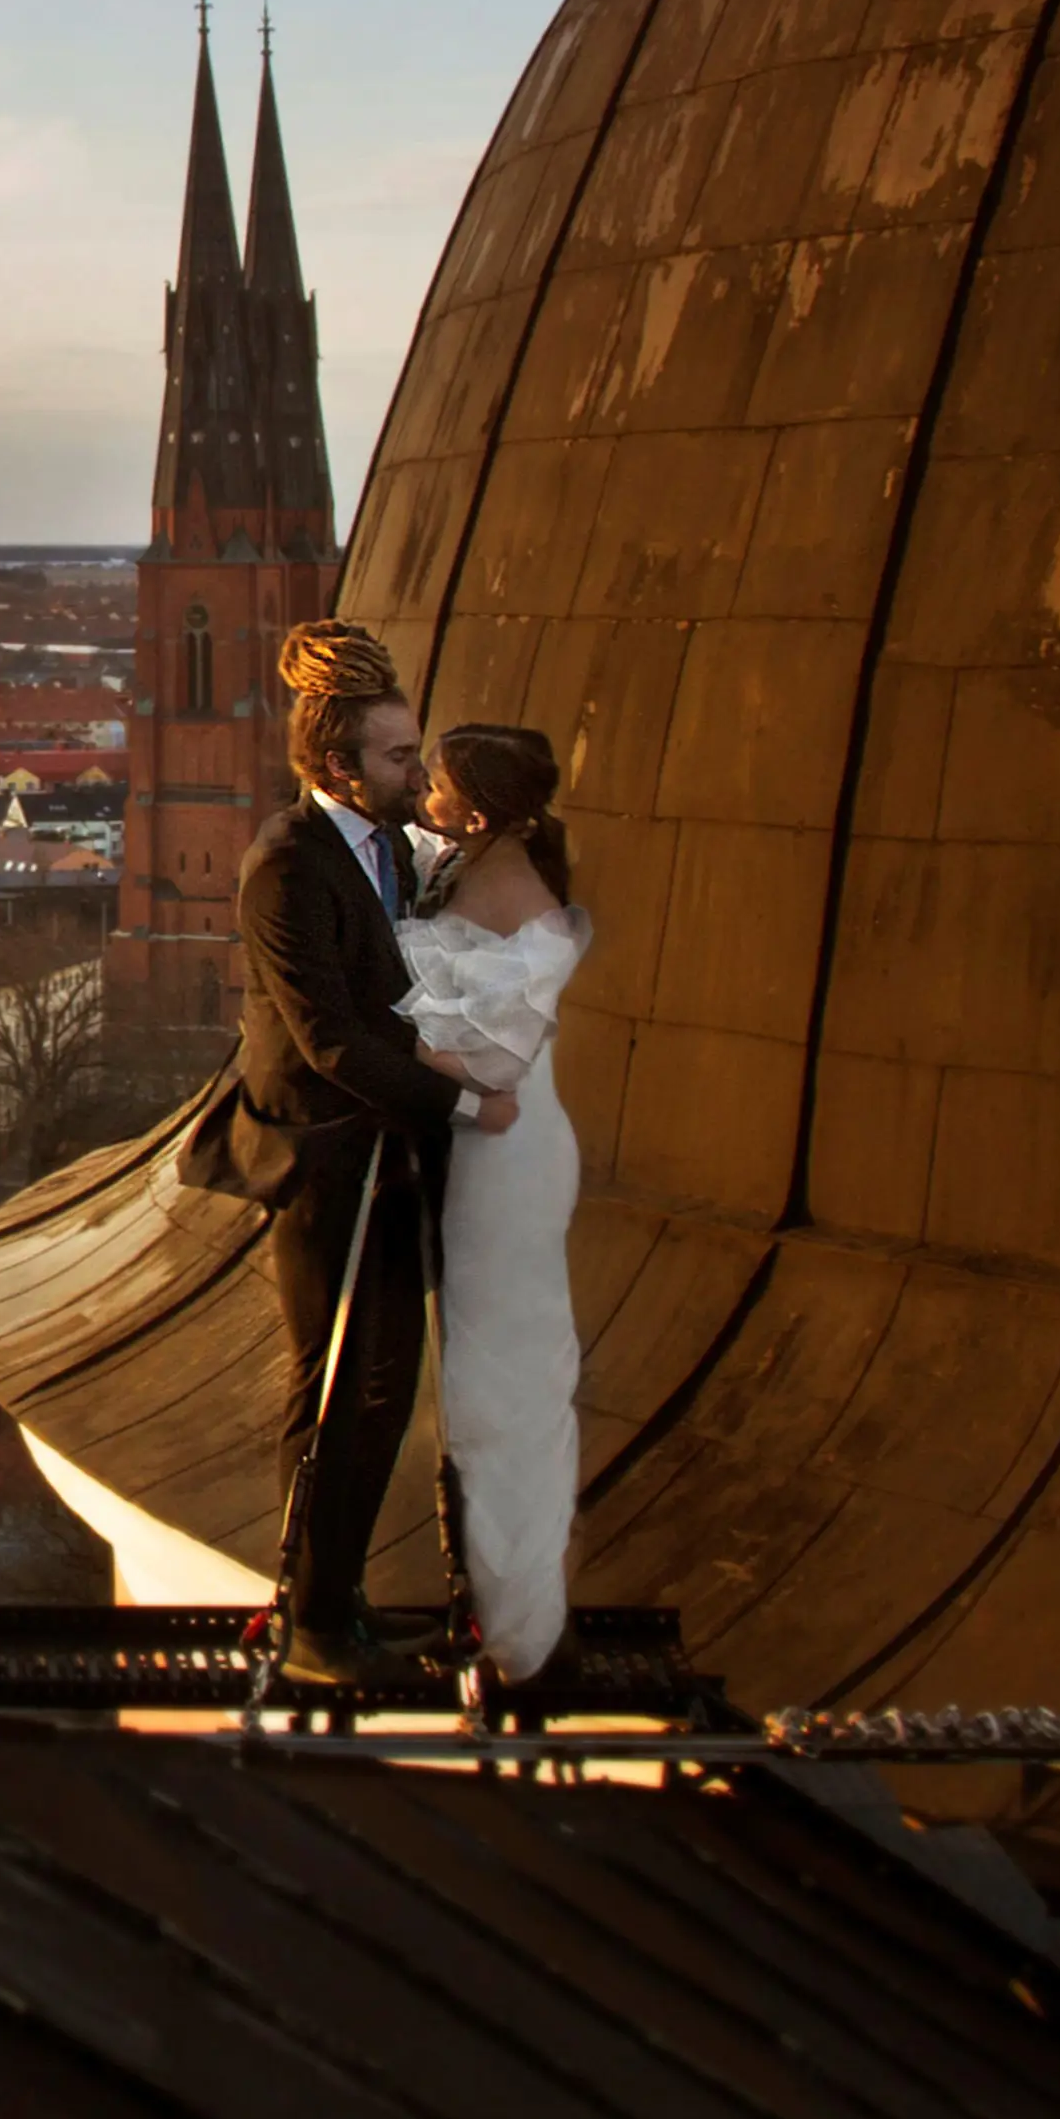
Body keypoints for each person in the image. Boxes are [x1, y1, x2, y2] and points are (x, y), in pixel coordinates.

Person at [179, 619, 517, 1688]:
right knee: (336, 1387)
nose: (415, 771)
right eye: (396, 756)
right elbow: (327, 1039)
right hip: (326, 1158)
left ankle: (337, 1607)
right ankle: (315, 1620)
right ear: (335, 764)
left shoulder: (381, 850)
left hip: (385, 1150)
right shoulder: (286, 867)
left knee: (378, 1382)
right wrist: (459, 1103)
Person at [396, 723, 594, 1687]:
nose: (422, 797)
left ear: (474, 810)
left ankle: (516, 1632)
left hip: (505, 1160)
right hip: (494, 1153)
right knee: (485, 1384)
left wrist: (383, 1044)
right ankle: (492, 1609)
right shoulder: (491, 866)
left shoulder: (508, 893)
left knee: (499, 1392)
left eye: (434, 785)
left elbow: (494, 1072)